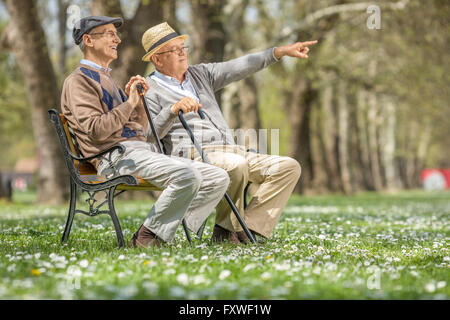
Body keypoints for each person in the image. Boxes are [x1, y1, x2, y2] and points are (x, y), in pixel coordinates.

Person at [61, 16, 230, 248]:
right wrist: (128, 103)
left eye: (115, 34)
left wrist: (137, 103)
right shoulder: (78, 82)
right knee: (187, 175)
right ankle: (146, 238)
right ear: (88, 40)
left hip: (138, 152)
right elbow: (96, 131)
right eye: (109, 34)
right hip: (115, 159)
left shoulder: (107, 78)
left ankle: (169, 232)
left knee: (218, 177)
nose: (117, 39)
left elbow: (139, 131)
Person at [141, 22, 317, 244]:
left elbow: (241, 65)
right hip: (191, 154)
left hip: (230, 149)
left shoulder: (200, 74)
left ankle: (248, 229)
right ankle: (227, 231)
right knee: (235, 164)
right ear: (157, 59)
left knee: (288, 167)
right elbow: (148, 134)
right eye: (174, 50)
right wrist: (171, 110)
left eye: (182, 48)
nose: (182, 53)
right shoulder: (148, 88)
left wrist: (279, 52)